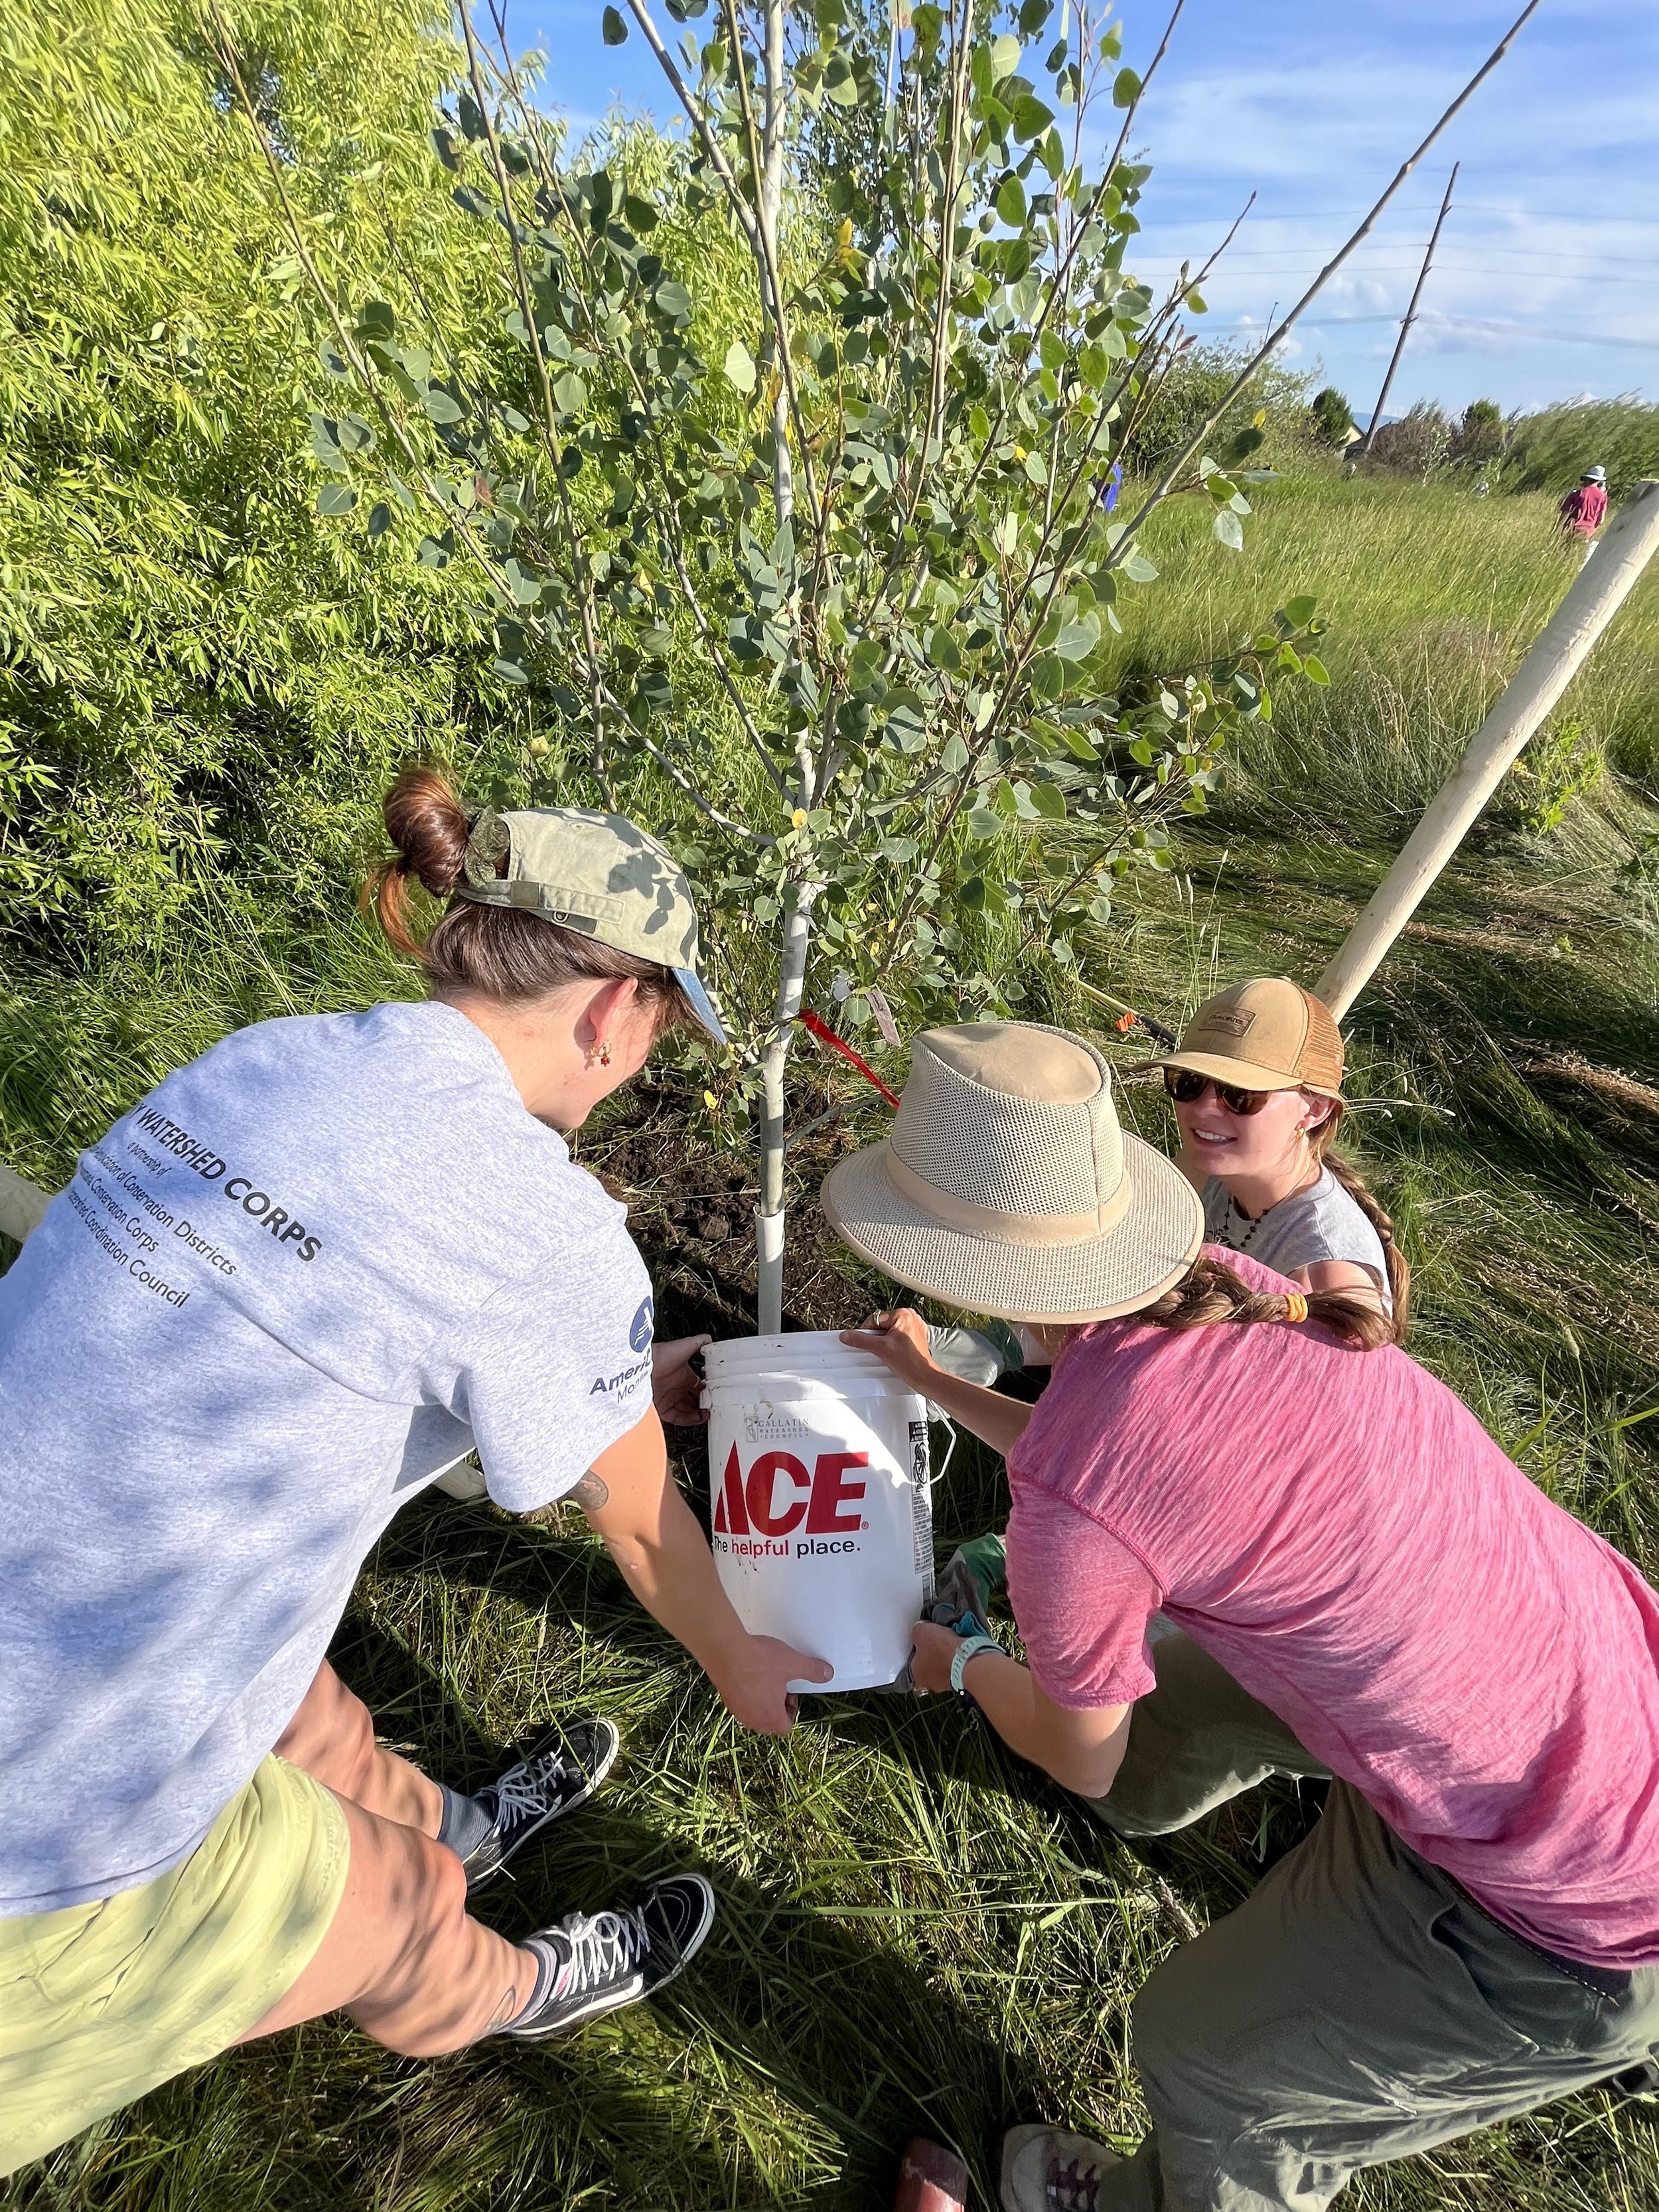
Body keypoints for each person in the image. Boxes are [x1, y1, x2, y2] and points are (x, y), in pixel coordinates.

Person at [0, 770, 830, 2177]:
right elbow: (635, 1523)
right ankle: (512, 1978)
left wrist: (610, 1382)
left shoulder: (270, 1058)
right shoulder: (546, 1228)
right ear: (614, 1009)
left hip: (55, 1588)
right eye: (660, 1026)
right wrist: (745, 1664)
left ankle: (456, 1814)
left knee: (301, 1704)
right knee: (402, 1902)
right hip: (48, 1832)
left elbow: (355, 1296)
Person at [820, 1019, 1659, 2212]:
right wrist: (943, 1387)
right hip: (1585, 1688)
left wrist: (959, 1665)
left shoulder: (1074, 1514)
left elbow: (1076, 1737)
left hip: (1571, 1896)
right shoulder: (1241, 1296)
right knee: (1178, 1690)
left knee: (1206, 2053)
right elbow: (1112, 1468)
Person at [1151, 976, 1407, 1329]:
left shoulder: (1328, 1278)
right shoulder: (1208, 1168)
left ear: (1315, 1109)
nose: (1204, 1107)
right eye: (1189, 1082)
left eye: (1240, 1093)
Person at [1559, 463, 1608, 559]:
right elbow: (1601, 521)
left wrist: (1557, 530)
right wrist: (1591, 530)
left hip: (1571, 528)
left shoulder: (1577, 494)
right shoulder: (1603, 496)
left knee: (1563, 555)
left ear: (1587, 479)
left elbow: (1564, 513)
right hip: (1587, 531)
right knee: (1576, 557)